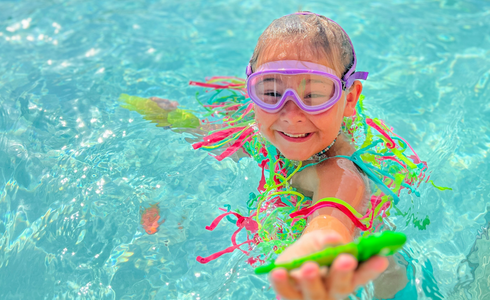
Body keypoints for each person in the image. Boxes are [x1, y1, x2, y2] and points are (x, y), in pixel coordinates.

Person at [121, 11, 429, 300]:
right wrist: (180, 120)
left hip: (377, 275)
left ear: (349, 100)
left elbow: (333, 215)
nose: (291, 114)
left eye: (314, 95)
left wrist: (318, 246)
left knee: (390, 273)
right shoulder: (262, 130)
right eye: (270, 92)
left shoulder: (340, 166)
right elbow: (225, 139)